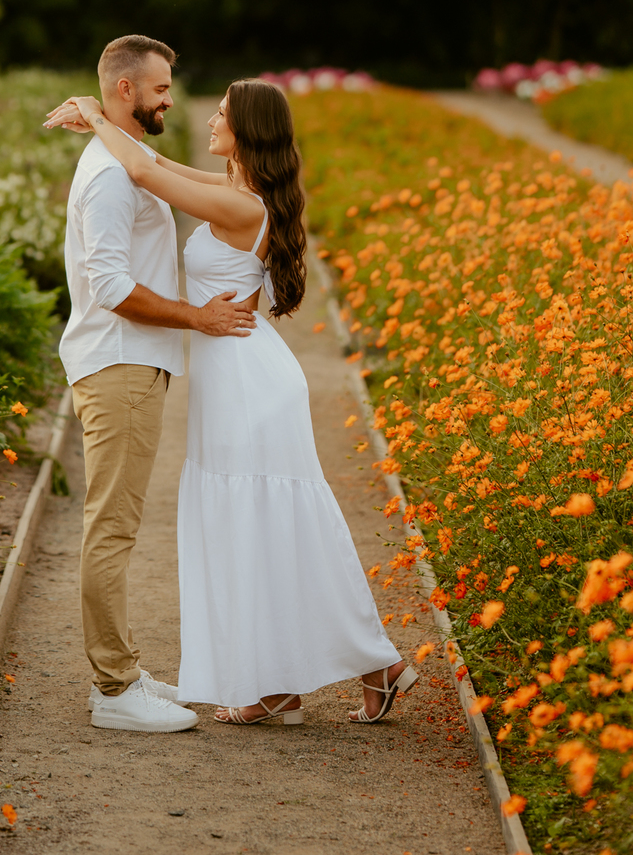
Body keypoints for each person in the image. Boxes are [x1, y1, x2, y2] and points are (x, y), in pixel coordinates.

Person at [46, 76, 415, 727]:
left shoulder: (243, 208)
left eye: (221, 114)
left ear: (247, 131)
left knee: (270, 530)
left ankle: (375, 663)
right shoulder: (236, 191)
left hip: (250, 385)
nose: (209, 120)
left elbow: (137, 164)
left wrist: (92, 113)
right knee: (254, 532)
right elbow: (153, 161)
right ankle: (277, 685)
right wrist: (108, 124)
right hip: (236, 381)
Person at [56, 35, 258, 734]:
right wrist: (196, 317)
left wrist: (99, 119)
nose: (171, 99)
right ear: (125, 91)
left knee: (116, 524)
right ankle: (113, 691)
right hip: (120, 362)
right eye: (161, 89)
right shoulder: (113, 175)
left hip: (131, 362)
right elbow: (111, 284)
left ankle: (124, 672)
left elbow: (161, 171)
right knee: (111, 528)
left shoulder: (119, 158)